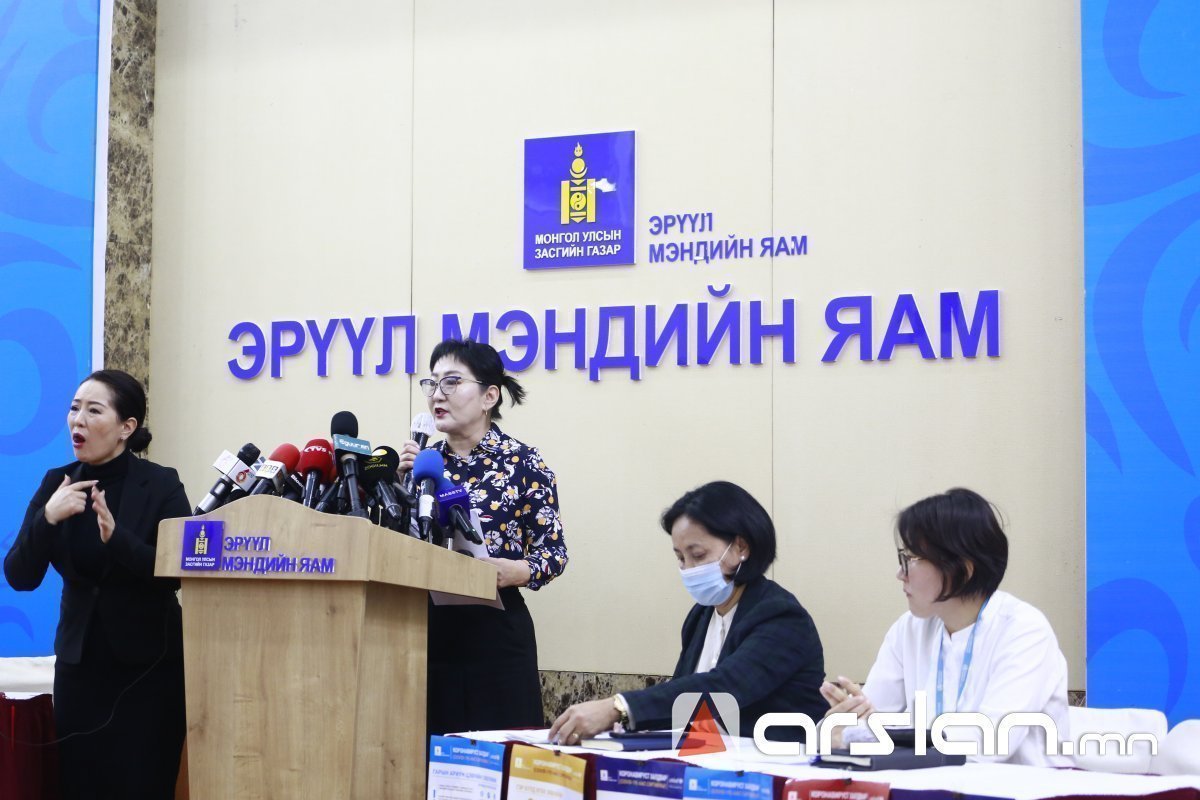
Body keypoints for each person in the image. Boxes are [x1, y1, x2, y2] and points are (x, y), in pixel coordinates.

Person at [4, 369, 190, 798]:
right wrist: (48, 518)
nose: (78, 420)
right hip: (81, 671)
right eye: (74, 409)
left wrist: (118, 539)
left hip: (151, 672)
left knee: (144, 784)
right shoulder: (57, 483)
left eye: (93, 410)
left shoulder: (161, 484)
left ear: (127, 427)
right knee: (80, 784)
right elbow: (19, 575)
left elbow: (177, 573)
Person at [549, 481, 825, 744]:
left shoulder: (781, 615)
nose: (688, 568)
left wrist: (618, 708)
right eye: (681, 557)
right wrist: (621, 727)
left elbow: (723, 689)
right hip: (705, 758)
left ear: (741, 547)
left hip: (773, 764)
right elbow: (683, 700)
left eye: (698, 554)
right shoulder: (701, 616)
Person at [820, 487, 1070, 767]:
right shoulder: (909, 629)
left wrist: (876, 735)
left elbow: (989, 744)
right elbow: (867, 724)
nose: (900, 574)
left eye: (910, 560)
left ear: (962, 568)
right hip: (926, 782)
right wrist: (842, 723)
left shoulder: (1024, 630)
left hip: (1016, 786)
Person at [397, 338, 567, 733]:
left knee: (500, 755)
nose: (437, 394)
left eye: (452, 382)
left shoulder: (522, 463)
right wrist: (399, 487)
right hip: (428, 630)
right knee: (431, 753)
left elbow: (554, 552)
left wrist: (516, 571)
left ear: (490, 396)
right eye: (432, 383)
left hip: (497, 634)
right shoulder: (423, 464)